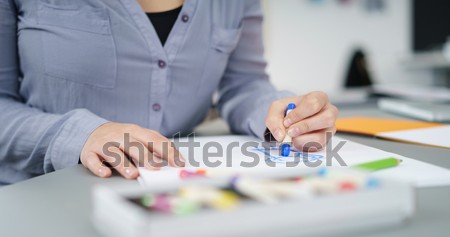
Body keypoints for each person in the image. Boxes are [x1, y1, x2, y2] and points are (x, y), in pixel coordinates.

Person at [0, 0, 338, 185]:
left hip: (183, 193)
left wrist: (285, 116)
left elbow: (244, 83)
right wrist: (84, 134)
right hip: (41, 197)